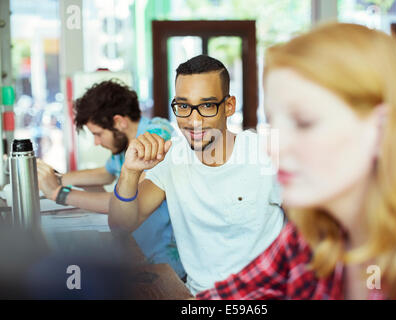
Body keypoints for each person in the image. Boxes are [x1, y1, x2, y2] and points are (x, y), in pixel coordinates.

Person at [196, 23, 396, 300]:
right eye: (273, 121)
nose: (272, 146)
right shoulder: (312, 237)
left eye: (304, 122)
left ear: (382, 130)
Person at [108, 55, 285, 294]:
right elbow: (122, 224)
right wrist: (130, 172)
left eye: (207, 106)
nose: (194, 120)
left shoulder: (268, 154)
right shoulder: (172, 157)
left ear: (229, 106)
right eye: (183, 106)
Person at [37, 80, 186, 279]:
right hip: (137, 253)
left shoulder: (154, 139)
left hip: (163, 266)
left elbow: (125, 202)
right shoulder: (124, 142)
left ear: (119, 122)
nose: (96, 142)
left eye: (98, 134)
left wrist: (59, 193)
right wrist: (57, 178)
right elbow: (106, 172)